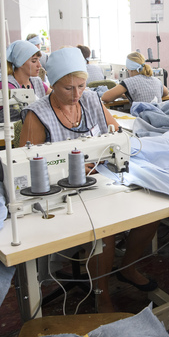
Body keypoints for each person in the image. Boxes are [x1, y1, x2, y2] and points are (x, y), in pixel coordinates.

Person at [20, 47, 159, 310]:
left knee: (151, 214)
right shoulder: (36, 115)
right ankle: (101, 293)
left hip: (100, 181)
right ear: (52, 84)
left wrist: (106, 152)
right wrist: (66, 170)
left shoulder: (92, 101)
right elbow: (26, 169)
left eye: (81, 86)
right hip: (61, 194)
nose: (76, 95)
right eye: (68, 89)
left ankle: (127, 268)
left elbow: (114, 133)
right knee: (103, 234)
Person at [0, 40, 51, 123]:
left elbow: (55, 99)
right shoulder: (5, 86)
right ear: (20, 63)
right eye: (34, 61)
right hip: (5, 132)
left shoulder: (37, 82)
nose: (39, 65)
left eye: (39, 60)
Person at [101, 51, 167, 104]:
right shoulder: (156, 80)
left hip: (142, 119)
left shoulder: (129, 82)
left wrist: (120, 94)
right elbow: (166, 92)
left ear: (130, 69)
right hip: (158, 117)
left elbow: (105, 98)